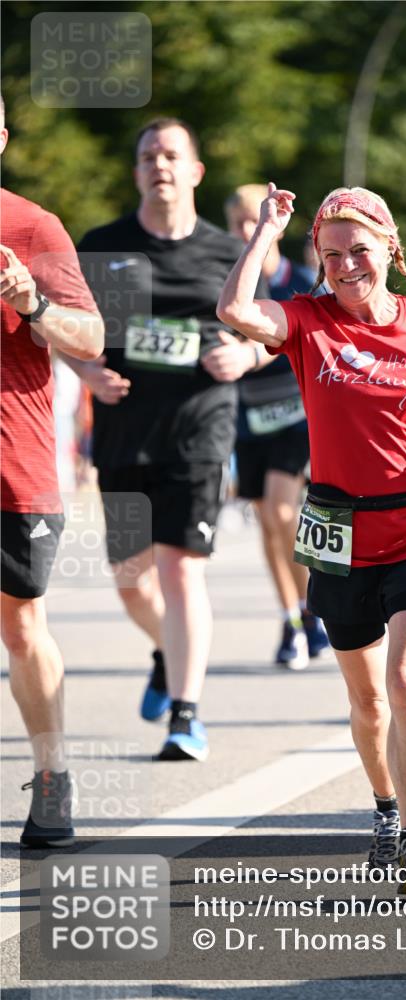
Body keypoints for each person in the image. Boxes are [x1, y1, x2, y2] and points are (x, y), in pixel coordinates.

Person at [217, 183, 406, 892]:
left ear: (390, 248)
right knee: (367, 700)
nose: (345, 266)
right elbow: (234, 311)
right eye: (331, 254)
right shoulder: (306, 322)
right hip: (337, 529)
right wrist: (266, 233)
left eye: (359, 251)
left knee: (405, 680)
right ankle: (383, 808)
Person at [68, 118, 271, 762]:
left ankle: (186, 714)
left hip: (199, 432)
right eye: (149, 155)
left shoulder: (224, 252)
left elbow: (273, 333)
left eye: (172, 155)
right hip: (125, 433)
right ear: (136, 173)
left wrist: (245, 359)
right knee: (130, 578)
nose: (160, 164)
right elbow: (64, 328)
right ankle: (166, 651)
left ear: (195, 172)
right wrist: (84, 370)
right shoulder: (101, 245)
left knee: (182, 570)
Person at [0, 96, 105, 846]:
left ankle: (51, 771)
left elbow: (91, 337)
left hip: (13, 462)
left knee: (21, 622)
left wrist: (33, 301)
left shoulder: (33, 227)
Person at [224, 185, 330, 668]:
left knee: (283, 511)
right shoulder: (231, 281)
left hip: (295, 412)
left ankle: (313, 610)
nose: (249, 231)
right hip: (249, 416)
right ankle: (293, 619)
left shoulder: (302, 280)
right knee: (268, 522)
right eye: (240, 224)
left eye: (255, 221)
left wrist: (252, 354)